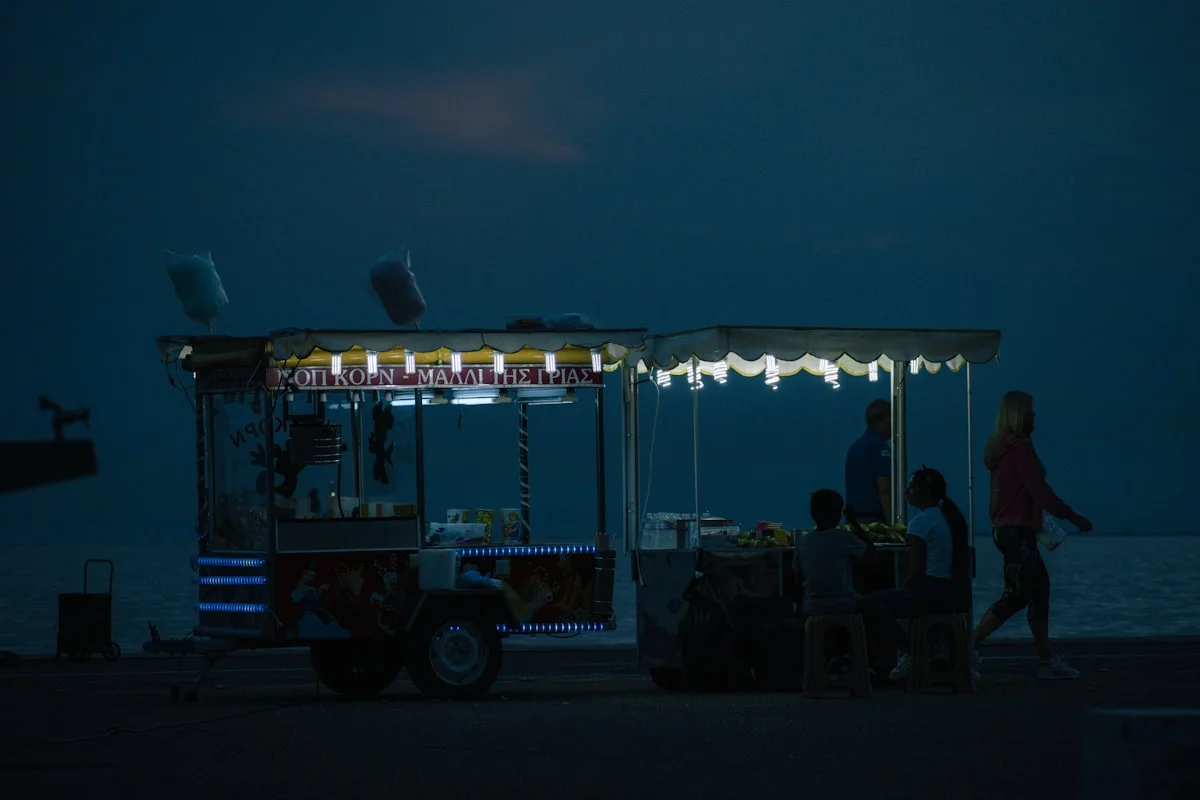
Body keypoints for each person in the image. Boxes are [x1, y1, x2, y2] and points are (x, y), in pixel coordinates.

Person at [970, 390, 1093, 680]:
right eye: (1030, 411)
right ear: (1019, 415)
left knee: (1038, 591)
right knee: (1016, 595)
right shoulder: (1019, 449)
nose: (1034, 415)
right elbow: (1040, 491)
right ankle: (967, 647)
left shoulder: (1003, 449)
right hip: (1017, 533)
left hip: (1007, 530)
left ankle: (1046, 660)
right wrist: (1072, 515)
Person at [860, 466, 973, 681]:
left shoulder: (919, 524)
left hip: (931, 592)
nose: (906, 490)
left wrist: (904, 588)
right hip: (953, 593)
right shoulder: (948, 518)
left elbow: (917, 573)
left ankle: (908, 650)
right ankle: (931, 649)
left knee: (869, 604)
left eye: (911, 486)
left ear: (926, 492)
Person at [845, 399, 892, 524]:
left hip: (854, 520)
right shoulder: (879, 447)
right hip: (873, 520)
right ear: (886, 419)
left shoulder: (856, 447)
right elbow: (884, 490)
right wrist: (892, 525)